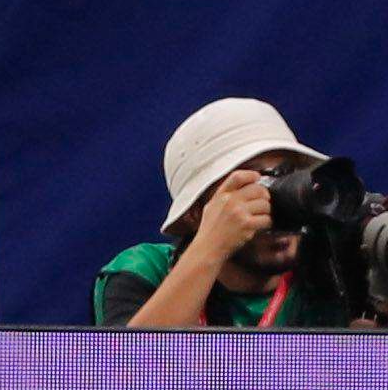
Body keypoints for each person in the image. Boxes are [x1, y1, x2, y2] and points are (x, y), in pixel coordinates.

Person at [94, 98, 353, 329]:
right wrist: (213, 244)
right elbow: (129, 373)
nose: (276, 202)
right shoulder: (147, 270)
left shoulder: (336, 272)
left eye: (287, 177)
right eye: (254, 185)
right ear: (195, 213)